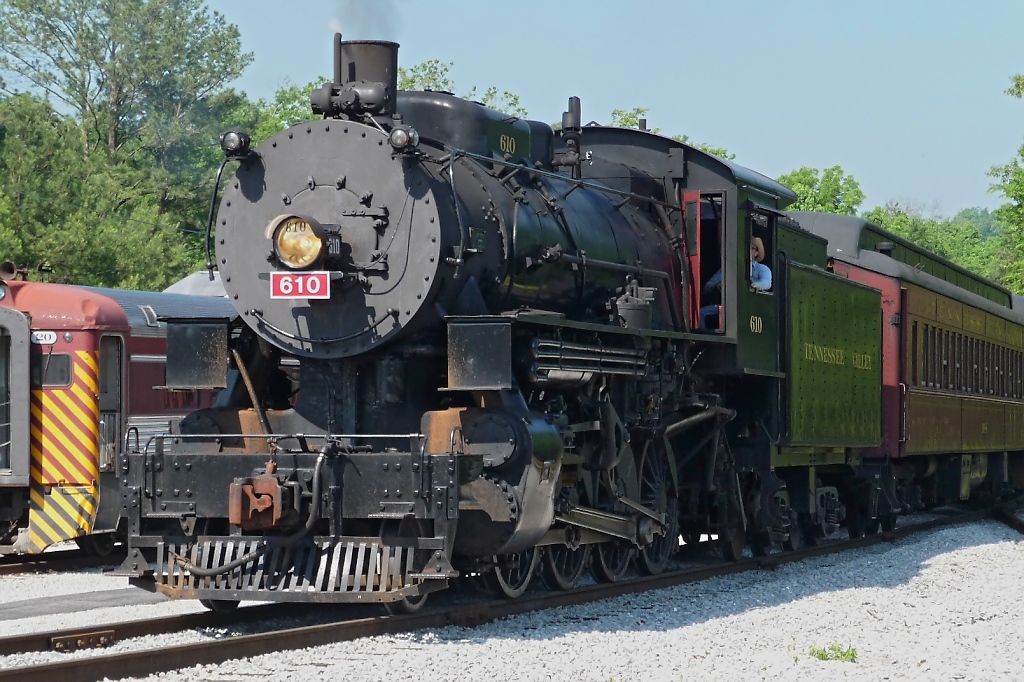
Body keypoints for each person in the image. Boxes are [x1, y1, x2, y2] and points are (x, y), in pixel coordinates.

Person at [698, 236, 771, 329]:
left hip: (752, 310)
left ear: (756, 252)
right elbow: (708, 286)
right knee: (701, 314)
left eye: (751, 248)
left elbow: (766, 282)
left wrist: (756, 285)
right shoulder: (727, 269)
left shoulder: (762, 269)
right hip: (729, 308)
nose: (747, 250)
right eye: (745, 247)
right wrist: (716, 286)